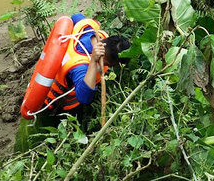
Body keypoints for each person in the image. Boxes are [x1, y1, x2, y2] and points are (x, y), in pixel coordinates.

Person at [15, 14, 130, 150]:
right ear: (102, 55)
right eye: (108, 64)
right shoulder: (79, 67)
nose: (107, 68)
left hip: (60, 80)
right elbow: (83, 97)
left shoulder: (87, 29)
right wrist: (93, 62)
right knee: (45, 135)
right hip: (53, 103)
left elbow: (76, 17)